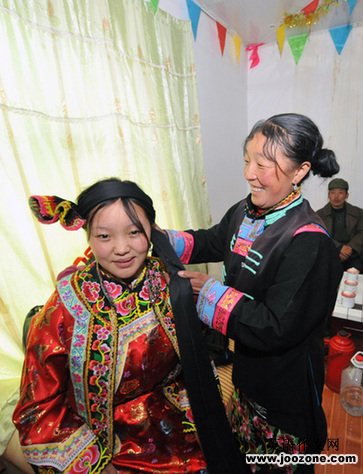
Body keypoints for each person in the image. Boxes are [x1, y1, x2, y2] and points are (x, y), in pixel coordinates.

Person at [163, 113, 343, 472]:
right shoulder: (246, 212)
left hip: (285, 390)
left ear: (299, 171)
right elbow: (209, 240)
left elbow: (275, 325)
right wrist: (150, 235)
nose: (249, 173)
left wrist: (209, 294)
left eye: (264, 164)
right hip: (247, 376)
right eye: (248, 160)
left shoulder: (309, 241)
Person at [12, 178, 216, 473]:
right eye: (105, 236)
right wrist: (95, 465)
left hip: (172, 418)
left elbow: (193, 362)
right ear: (89, 237)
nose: (121, 248)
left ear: (152, 232)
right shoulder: (66, 306)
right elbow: (38, 409)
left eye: (134, 232)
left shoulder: (167, 280)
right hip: (99, 439)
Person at [316, 178, 363, 273]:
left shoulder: (358, 213)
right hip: (330, 252)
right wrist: (340, 248)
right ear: (328, 195)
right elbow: (320, 235)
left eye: (340, 193)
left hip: (353, 253)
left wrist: (350, 248)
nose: (336, 197)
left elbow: (361, 232)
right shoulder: (319, 215)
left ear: (347, 195)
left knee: (353, 274)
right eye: (332, 193)